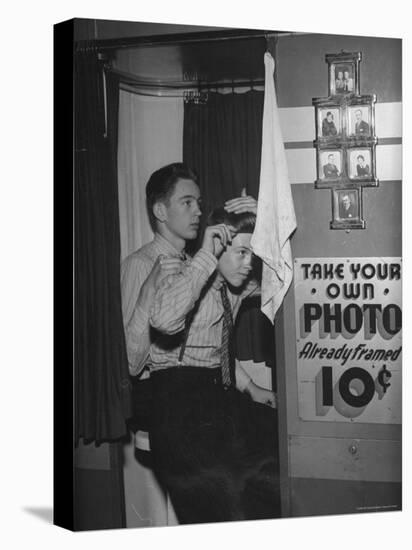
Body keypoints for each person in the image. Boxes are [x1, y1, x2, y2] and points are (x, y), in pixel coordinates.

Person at [146, 200, 280, 524]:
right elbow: (163, 319)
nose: (249, 264)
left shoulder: (233, 287)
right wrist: (206, 256)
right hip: (176, 406)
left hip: (214, 399)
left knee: (280, 453)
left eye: (253, 254)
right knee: (229, 499)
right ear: (217, 248)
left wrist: (267, 219)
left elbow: (283, 277)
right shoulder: (180, 275)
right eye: (241, 253)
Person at [121, 163, 268, 429]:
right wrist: (148, 292)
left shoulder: (199, 265)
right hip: (162, 398)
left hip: (205, 393)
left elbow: (209, 347)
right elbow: (131, 363)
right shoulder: (140, 264)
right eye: (187, 203)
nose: (198, 211)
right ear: (160, 211)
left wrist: (250, 387)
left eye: (198, 203)